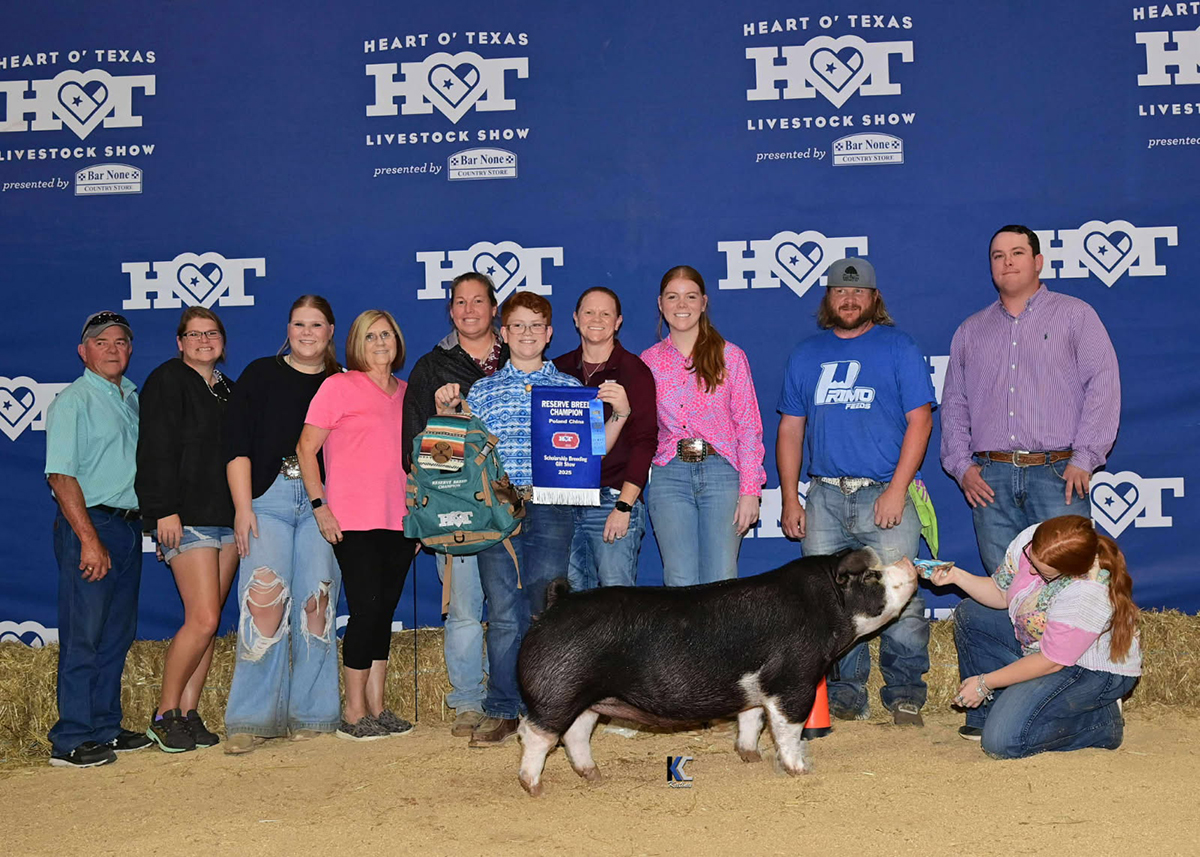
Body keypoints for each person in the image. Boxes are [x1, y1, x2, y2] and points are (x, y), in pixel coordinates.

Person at [434, 291, 629, 747]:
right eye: (517, 326)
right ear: (504, 334)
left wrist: (619, 412)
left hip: (551, 508)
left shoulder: (567, 390)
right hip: (496, 510)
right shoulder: (481, 392)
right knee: (502, 612)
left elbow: (591, 453)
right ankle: (503, 708)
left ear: (550, 333)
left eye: (535, 326)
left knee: (545, 608)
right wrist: (447, 416)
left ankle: (548, 706)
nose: (526, 334)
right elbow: (456, 457)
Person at [776, 258, 935, 727]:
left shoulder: (898, 347)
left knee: (900, 594)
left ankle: (905, 692)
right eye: (841, 293)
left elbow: (920, 421)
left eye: (859, 292)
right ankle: (845, 691)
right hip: (823, 493)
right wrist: (790, 496)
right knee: (827, 601)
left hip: (883, 491)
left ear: (874, 298)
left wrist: (897, 489)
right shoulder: (806, 354)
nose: (849, 300)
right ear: (828, 299)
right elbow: (789, 429)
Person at [941, 224, 1120, 576]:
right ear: (991, 266)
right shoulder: (970, 331)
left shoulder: (1075, 315)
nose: (1007, 262)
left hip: (1058, 475)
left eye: (1017, 253)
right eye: (998, 256)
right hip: (991, 480)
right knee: (1005, 588)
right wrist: (962, 467)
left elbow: (1103, 385)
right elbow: (954, 404)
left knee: (1072, 582)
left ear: (1038, 261)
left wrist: (1085, 458)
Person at [222, 296, 343, 754]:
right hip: (265, 500)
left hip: (324, 505)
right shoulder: (258, 374)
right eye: (298, 324)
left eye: (316, 325)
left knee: (318, 607)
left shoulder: (342, 382)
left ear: (331, 331)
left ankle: (314, 714)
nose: (307, 333)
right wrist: (242, 507)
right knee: (263, 605)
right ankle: (251, 719)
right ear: (287, 328)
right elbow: (236, 446)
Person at [929, 515, 1141, 758]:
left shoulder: (1087, 591)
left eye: (1043, 572)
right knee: (973, 614)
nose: (1029, 569)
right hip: (1043, 649)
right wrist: (956, 575)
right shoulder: (1034, 538)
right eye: (1032, 558)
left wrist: (984, 682)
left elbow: (1051, 662)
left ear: (1069, 573)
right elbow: (1001, 594)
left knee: (1002, 743)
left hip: (1090, 671)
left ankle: (1101, 723)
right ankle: (988, 715)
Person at [298, 309, 416, 741]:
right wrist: (319, 505)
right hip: (354, 520)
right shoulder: (338, 386)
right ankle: (353, 712)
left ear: (397, 340)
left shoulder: (407, 393)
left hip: (400, 521)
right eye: (370, 336)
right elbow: (306, 448)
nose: (380, 342)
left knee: (383, 611)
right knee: (366, 609)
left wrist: (418, 518)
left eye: (387, 333)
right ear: (356, 344)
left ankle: (378, 707)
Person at [402, 272, 508, 739]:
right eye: (460, 302)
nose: (469, 310)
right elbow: (414, 450)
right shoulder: (432, 367)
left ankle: (513, 698)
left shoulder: (520, 355)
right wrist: (448, 424)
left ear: (494, 308)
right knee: (465, 608)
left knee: (513, 609)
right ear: (450, 310)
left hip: (513, 507)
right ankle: (467, 700)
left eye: (478, 301)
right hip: (459, 507)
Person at [44, 311, 152, 767]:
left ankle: (104, 727)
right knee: (84, 635)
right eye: (101, 341)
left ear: (130, 349)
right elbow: (60, 475)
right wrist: (88, 539)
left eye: (121, 341)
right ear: (83, 351)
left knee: (115, 636)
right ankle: (70, 739)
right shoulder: (74, 401)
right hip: (91, 524)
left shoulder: (130, 397)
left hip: (128, 525)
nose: (112, 348)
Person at [137, 307, 238, 752]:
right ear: (180, 342)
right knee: (203, 618)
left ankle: (190, 711)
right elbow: (155, 448)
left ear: (222, 342)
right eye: (194, 334)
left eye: (211, 333)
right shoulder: (166, 380)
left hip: (228, 521)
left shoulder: (228, 390)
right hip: (187, 518)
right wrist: (163, 511)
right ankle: (164, 713)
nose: (203, 340)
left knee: (208, 623)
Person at [640, 265, 765, 586]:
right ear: (660, 303)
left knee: (722, 580)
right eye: (673, 297)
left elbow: (748, 426)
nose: (682, 305)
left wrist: (750, 491)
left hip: (722, 474)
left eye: (690, 296)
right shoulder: (648, 362)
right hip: (670, 477)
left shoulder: (730, 357)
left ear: (704, 302)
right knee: (679, 581)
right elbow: (640, 429)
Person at [553, 287, 657, 590]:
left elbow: (645, 441)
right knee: (569, 603)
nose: (596, 319)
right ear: (575, 318)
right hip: (564, 503)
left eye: (605, 313)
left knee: (615, 602)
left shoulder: (634, 371)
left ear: (618, 321)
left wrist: (625, 506)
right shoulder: (557, 371)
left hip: (611, 499)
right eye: (588, 312)